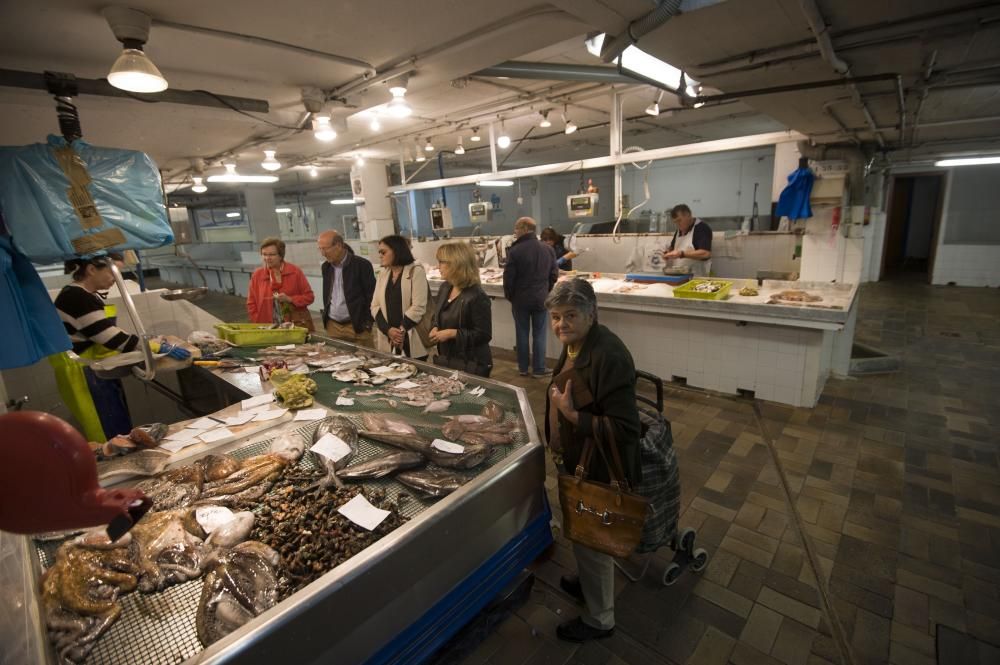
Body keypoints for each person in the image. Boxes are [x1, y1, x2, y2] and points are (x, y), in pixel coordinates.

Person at [544, 278, 641, 643]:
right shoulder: (576, 345)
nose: (561, 324)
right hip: (576, 457)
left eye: (570, 315)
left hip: (598, 466)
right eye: (555, 317)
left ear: (591, 313)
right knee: (582, 534)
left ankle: (601, 619)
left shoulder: (608, 356)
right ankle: (587, 581)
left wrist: (572, 418)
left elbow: (626, 428)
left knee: (594, 540)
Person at [51, 253, 139, 442]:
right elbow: (110, 338)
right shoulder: (78, 297)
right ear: (91, 270)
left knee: (115, 430)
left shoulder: (81, 294)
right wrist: (154, 347)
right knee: (110, 435)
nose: (116, 279)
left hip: (90, 368)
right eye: (112, 272)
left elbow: (99, 332)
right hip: (83, 371)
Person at [503, 217, 558, 377]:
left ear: (525, 229)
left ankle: (523, 368)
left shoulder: (515, 251)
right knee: (539, 333)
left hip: (520, 300)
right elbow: (554, 274)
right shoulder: (548, 249)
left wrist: (510, 296)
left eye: (516, 228)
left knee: (521, 333)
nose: (515, 232)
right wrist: (546, 291)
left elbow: (509, 278)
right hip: (541, 299)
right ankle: (539, 369)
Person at [429, 242, 493, 377]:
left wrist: (453, 333)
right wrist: (435, 326)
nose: (437, 266)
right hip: (447, 358)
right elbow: (437, 315)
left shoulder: (477, 296)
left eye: (441, 262)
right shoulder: (445, 287)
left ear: (456, 264)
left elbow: (484, 334)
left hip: (471, 363)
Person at [371, 234, 431, 360]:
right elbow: (375, 305)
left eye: (383, 252)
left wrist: (400, 332)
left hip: (410, 335)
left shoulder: (415, 271)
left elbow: (418, 306)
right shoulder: (383, 273)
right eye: (379, 252)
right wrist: (388, 330)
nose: (380, 255)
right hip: (388, 337)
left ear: (396, 251)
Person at [317, 230, 376, 347]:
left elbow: (372, 296)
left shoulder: (362, 265)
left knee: (366, 361)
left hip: (357, 326)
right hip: (333, 326)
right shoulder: (326, 267)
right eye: (320, 249)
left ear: (338, 245)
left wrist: (367, 323)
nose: (323, 253)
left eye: (325, 248)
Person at [247, 237, 315, 330]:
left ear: (281, 255)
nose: (267, 258)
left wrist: (290, 299)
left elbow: (309, 297)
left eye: (272, 254)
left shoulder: (295, 272)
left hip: (295, 325)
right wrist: (257, 321)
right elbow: (251, 303)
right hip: (267, 328)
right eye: (264, 254)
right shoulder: (257, 275)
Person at [662, 203, 712, 276]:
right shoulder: (679, 230)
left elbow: (706, 254)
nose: (678, 224)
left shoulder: (701, 228)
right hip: (679, 277)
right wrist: (667, 253)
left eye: (679, 220)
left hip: (697, 278)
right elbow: (673, 248)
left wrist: (682, 254)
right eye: (675, 222)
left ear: (688, 215)